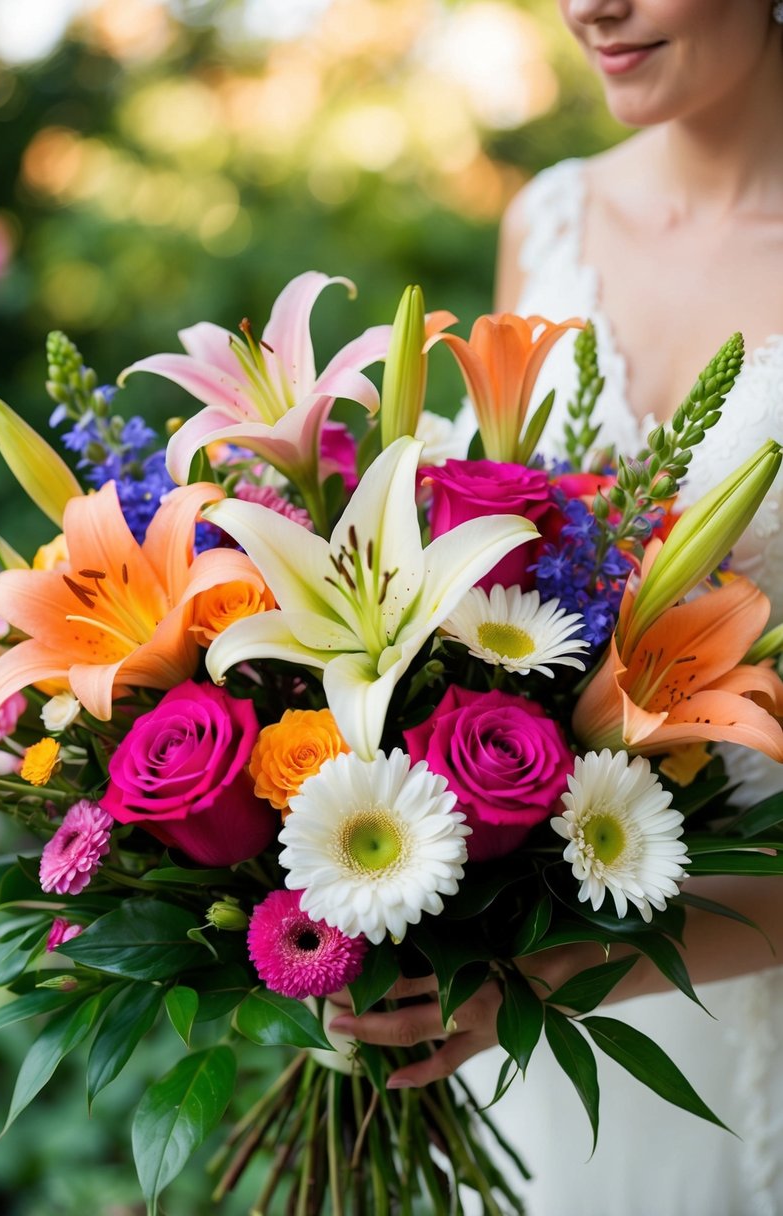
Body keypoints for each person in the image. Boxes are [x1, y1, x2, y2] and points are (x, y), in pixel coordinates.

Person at [328, 2, 783, 1212]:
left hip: (707, 990)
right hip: (512, 1018)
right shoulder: (551, 217)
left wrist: (564, 968)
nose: (591, 6)